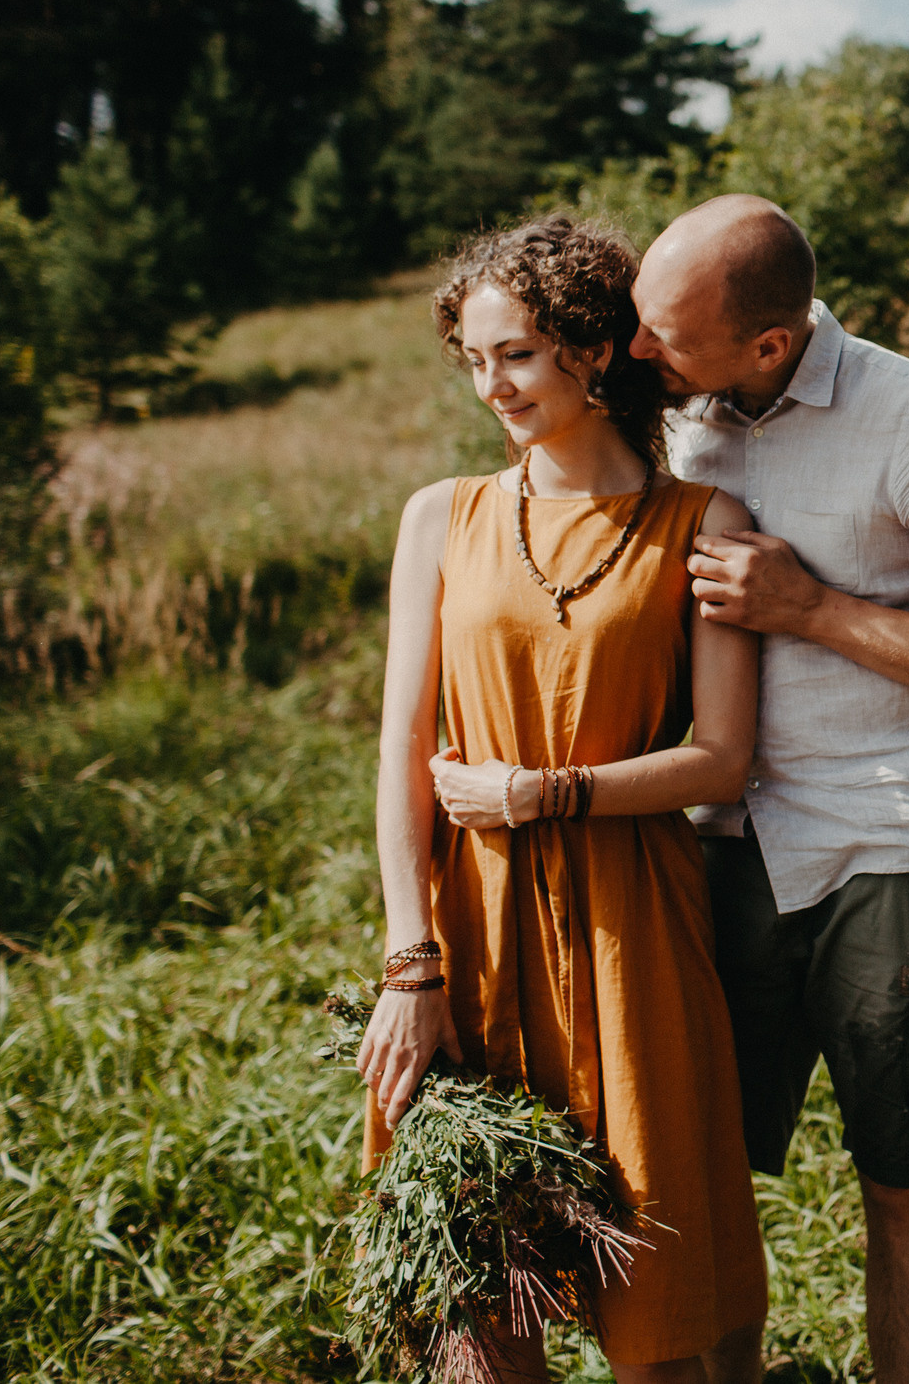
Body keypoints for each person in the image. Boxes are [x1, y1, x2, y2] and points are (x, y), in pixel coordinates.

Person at [628, 194, 909, 1384]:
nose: (636, 352)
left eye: (664, 334)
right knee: (703, 1182)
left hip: (891, 842)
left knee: (904, 1175)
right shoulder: (672, 418)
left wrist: (811, 609)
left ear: (769, 344)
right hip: (719, 847)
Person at [355, 214, 767, 1384]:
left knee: (667, 1308)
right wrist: (410, 965)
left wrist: (543, 792)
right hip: (472, 938)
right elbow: (402, 753)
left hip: (635, 929)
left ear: (592, 350)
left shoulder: (704, 525)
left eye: (518, 355)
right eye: (474, 359)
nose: (492, 384)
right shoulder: (442, 516)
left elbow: (721, 760)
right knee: (476, 1315)